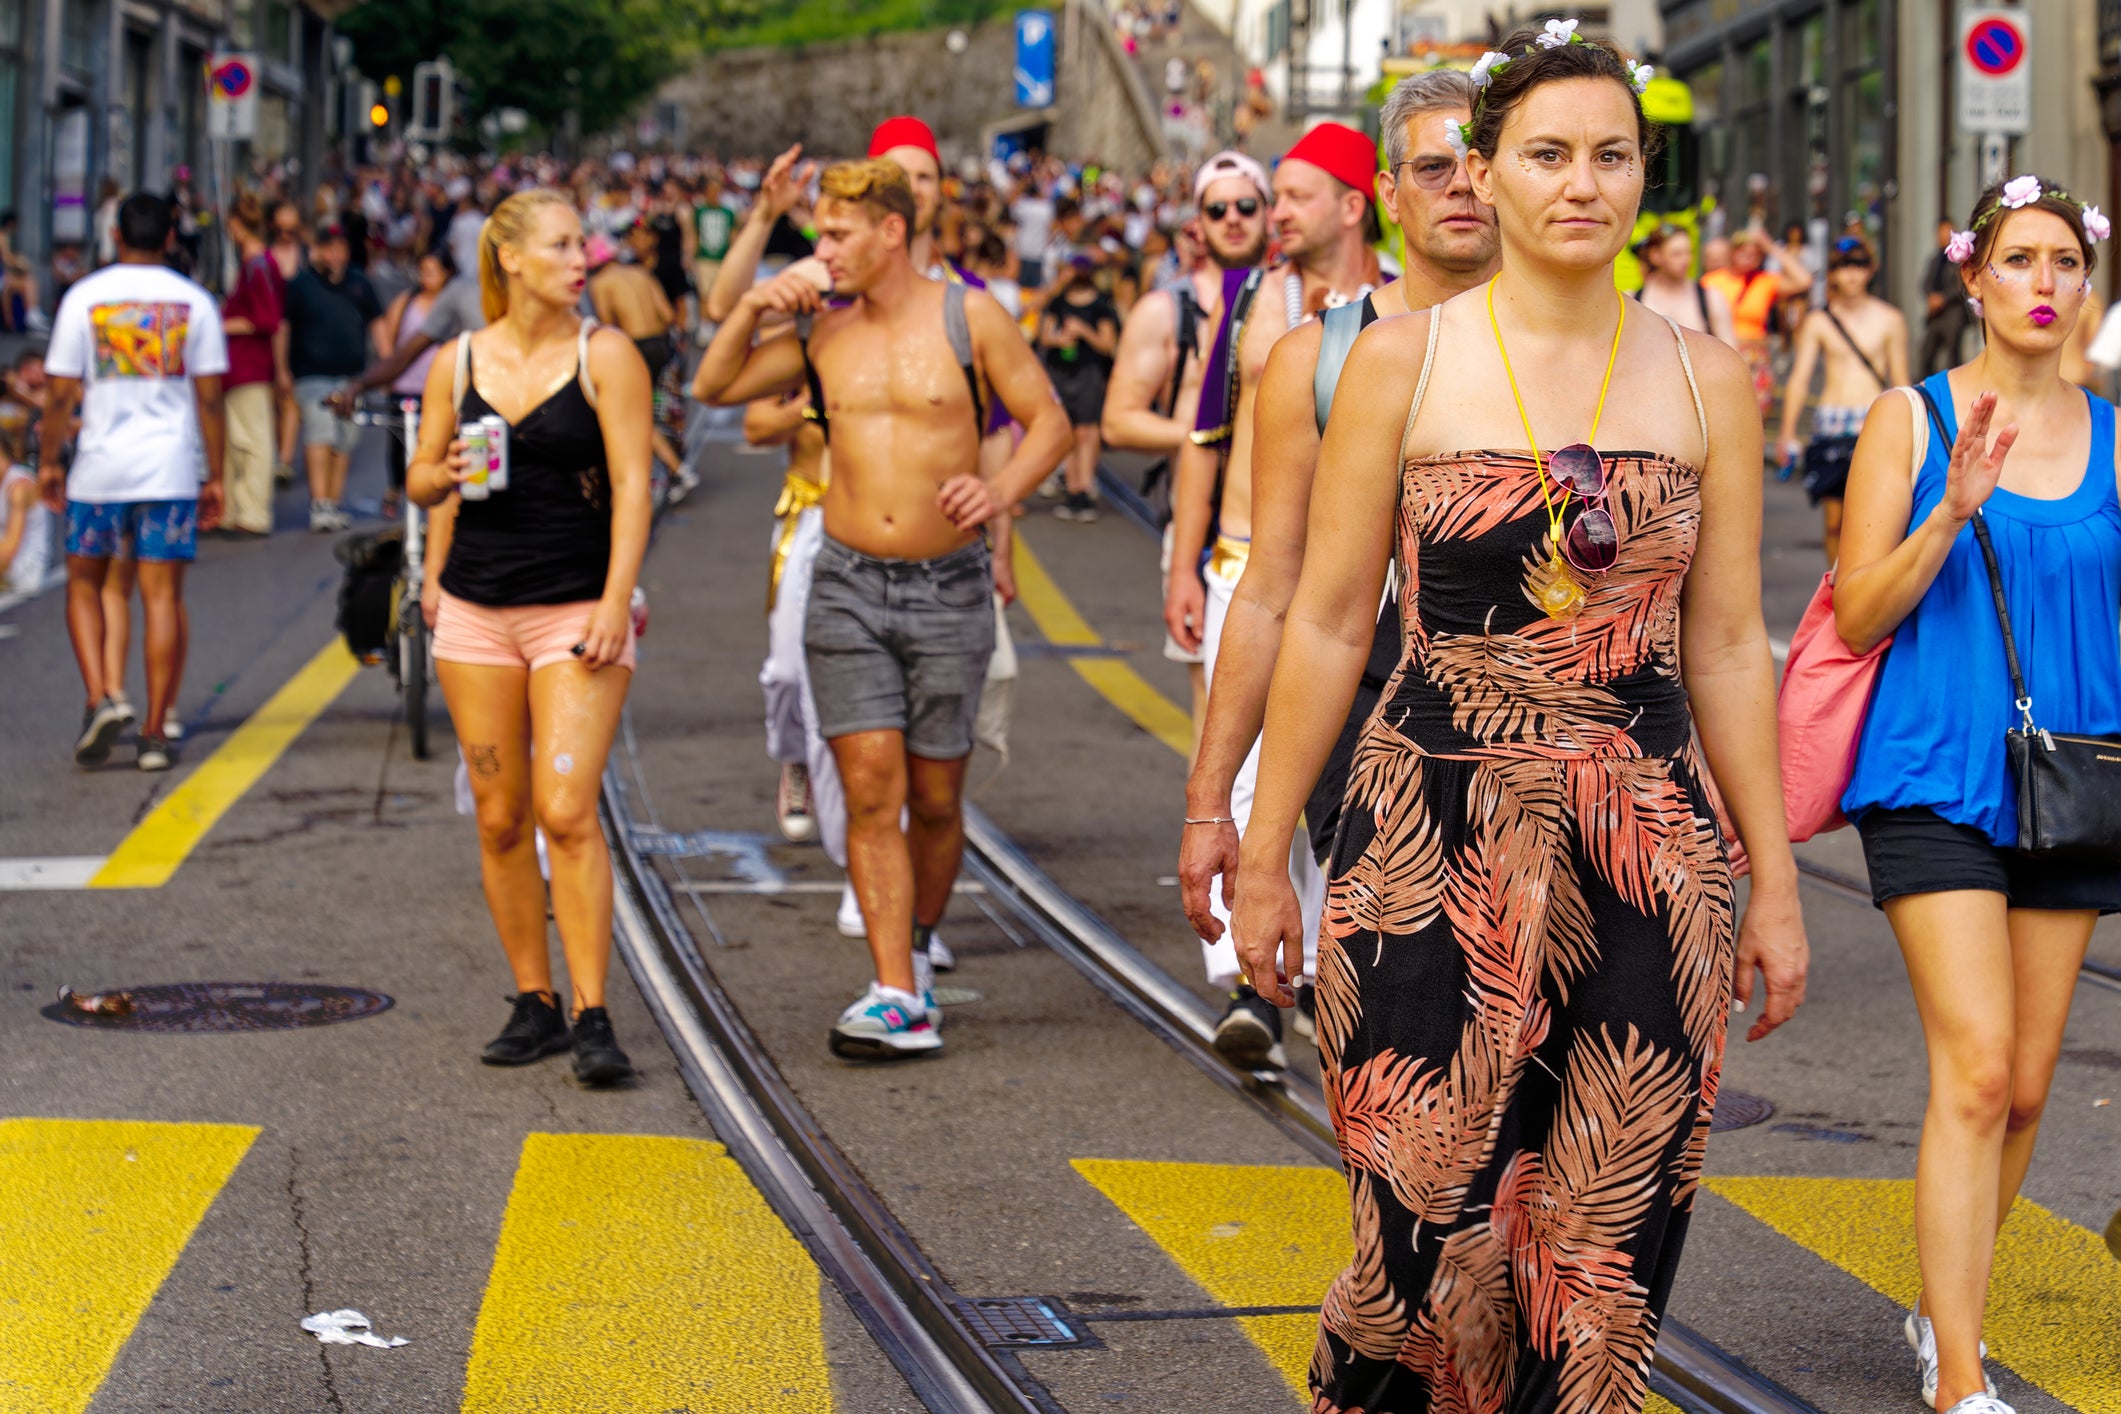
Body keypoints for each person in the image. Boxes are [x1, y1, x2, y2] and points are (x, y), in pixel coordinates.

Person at [1230, 31, 1809, 1407]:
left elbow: (1726, 646)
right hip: (1428, 837)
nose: (1582, 184)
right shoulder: (1402, 363)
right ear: (1482, 175)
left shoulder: (1704, 375)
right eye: (1547, 154)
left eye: (1611, 155)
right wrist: (1259, 851)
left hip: (1647, 856)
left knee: (1601, 1241)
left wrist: (1773, 883)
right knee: (1418, 1220)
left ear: (1641, 174)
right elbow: (1322, 622)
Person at [1833, 177, 2118, 1414]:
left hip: (2073, 779)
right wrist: (1949, 511)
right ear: (1974, 281)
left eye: (2066, 262)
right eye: (2021, 261)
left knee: (2035, 1081)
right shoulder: (1911, 419)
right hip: (1935, 771)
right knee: (1980, 1071)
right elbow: (1855, 613)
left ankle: (1941, 1298)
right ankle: (1959, 1375)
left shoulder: (2117, 436)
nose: (2045, 283)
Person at [693, 159, 1070, 1060]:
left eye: (835, 235)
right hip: (848, 583)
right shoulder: (822, 334)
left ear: (889, 232)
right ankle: (895, 986)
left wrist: (1000, 488)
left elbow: (1047, 419)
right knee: (871, 790)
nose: (820, 252)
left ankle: (915, 948)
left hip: (948, 587)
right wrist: (754, 307)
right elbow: (713, 388)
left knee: (936, 800)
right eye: (816, 235)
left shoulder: (968, 316)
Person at [1178, 70, 1501, 1068]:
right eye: (1432, 168)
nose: (1461, 190)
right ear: (1390, 196)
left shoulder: (1598, 354)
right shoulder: (1320, 358)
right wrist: (1213, 805)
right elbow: (1273, 590)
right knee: (1409, 1036)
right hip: (1373, 722)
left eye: (1480, 166)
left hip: (1555, 732)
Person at [405, 188, 654, 1088]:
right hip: (477, 613)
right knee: (503, 817)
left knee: (564, 810)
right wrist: (440, 478)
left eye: (581, 244)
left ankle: (593, 1011)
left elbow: (634, 486)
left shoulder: (607, 354)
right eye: (560, 246)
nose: (580, 258)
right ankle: (533, 1000)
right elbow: (422, 477)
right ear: (509, 258)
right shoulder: (456, 359)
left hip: (573, 608)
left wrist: (614, 601)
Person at [1163, 121, 1384, 1058]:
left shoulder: (1411, 310)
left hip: (1361, 580)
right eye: (1269, 198)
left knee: (1342, 784)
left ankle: (1337, 964)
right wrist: (1184, 557)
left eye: (1290, 197)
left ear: (1352, 202)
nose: (1272, 213)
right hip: (1249, 562)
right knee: (1252, 782)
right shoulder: (1252, 297)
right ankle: (1249, 985)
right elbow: (1206, 433)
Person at [39, 192, 227, 772]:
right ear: (171, 237)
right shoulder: (194, 301)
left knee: (83, 584)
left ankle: (99, 697)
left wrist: (49, 460)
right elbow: (211, 398)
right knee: (162, 597)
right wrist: (216, 475)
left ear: (115, 236)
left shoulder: (83, 299)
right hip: (168, 468)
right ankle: (152, 735)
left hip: (99, 467)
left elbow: (61, 393)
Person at [1101, 159, 1265, 756]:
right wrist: (1209, 433)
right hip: (1203, 528)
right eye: (1217, 209)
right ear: (1197, 223)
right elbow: (1118, 419)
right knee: (1216, 707)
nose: (1233, 219)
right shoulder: (1168, 309)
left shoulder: (1297, 301)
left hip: (1287, 529)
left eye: (1247, 205)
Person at [1776, 235, 1909, 564]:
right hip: (1832, 424)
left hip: (1875, 422)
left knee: (1877, 520)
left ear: (1870, 270)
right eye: (1843, 267)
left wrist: (1914, 435)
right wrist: (1787, 433)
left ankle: (1866, 595)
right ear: (1832, 274)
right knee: (1834, 522)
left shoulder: (1890, 319)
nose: (1851, 274)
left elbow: (1902, 381)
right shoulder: (1818, 321)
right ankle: (1835, 600)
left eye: (1859, 266)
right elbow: (1800, 379)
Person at [284, 222, 382, 532]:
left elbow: (377, 323)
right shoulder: (301, 284)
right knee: (320, 432)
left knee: (345, 439)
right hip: (311, 374)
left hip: (352, 376)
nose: (336, 255)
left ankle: (333, 503)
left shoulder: (359, 283)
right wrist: (281, 370)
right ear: (319, 251)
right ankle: (320, 504)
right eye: (330, 248)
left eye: (341, 248)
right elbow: (283, 328)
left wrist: (388, 364)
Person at [217, 193, 285, 538]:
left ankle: (252, 510)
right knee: (237, 439)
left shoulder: (257, 264)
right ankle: (235, 508)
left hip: (248, 363)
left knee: (252, 439)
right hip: (240, 364)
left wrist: (223, 323)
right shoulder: (256, 263)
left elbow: (267, 318)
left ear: (237, 225)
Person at [1037, 257, 1118, 521]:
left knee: (1087, 431)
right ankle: (1073, 489)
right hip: (1061, 372)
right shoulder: (1058, 303)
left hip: (1089, 374)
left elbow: (1108, 345)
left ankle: (1085, 486)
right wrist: (1059, 339)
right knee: (1069, 431)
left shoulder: (1101, 306)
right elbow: (1044, 335)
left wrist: (1085, 332)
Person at [375, 246, 454, 516]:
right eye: (423, 271)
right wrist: (389, 369)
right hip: (406, 384)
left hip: (438, 389)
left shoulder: (452, 303)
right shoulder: (406, 300)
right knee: (398, 443)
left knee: (436, 444)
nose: (427, 277)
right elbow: (388, 334)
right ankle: (395, 490)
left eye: (433, 271)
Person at [1702, 226, 1810, 413]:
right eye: (1743, 252)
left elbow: (1804, 280)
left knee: (1755, 414)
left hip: (1755, 357)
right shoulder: (1712, 281)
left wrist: (1769, 246)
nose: (1749, 257)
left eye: (1755, 254)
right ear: (1732, 252)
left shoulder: (1765, 281)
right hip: (1720, 352)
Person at [1634, 222, 1737, 345]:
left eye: (1688, 252)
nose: (1685, 260)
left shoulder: (1710, 298)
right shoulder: (1634, 299)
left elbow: (1730, 350)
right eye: (1676, 254)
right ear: (1655, 256)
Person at [1920, 217, 1972, 377]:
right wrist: (1931, 297)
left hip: (1953, 313)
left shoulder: (1959, 260)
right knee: (1926, 354)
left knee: (1953, 356)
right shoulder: (1935, 259)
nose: (1944, 236)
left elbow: (1960, 286)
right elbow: (1925, 282)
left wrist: (1943, 298)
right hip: (1936, 315)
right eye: (1941, 232)